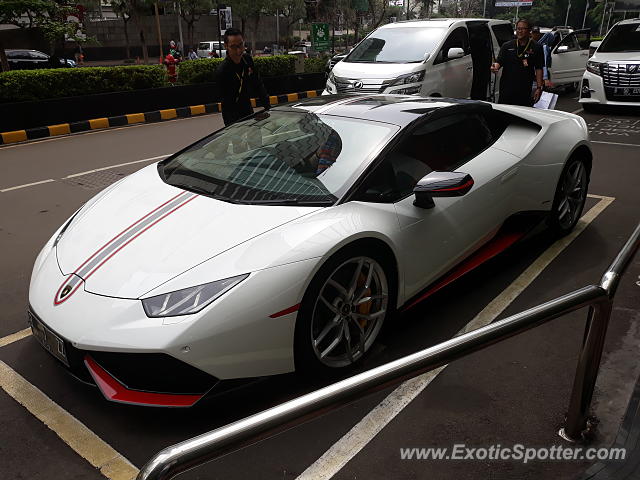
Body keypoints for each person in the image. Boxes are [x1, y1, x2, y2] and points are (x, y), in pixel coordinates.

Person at [216, 27, 270, 126]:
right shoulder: (223, 71)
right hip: (232, 116)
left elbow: (258, 84)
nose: (238, 51)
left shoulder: (247, 60)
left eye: (241, 45)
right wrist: (231, 128)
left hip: (248, 110)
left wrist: (268, 108)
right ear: (226, 46)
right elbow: (226, 104)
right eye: (233, 47)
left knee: (256, 139)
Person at [491, 19, 544, 106]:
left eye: (523, 29)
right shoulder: (507, 46)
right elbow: (499, 61)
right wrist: (495, 67)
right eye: (518, 29)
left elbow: (539, 68)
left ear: (529, 31)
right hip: (507, 88)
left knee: (521, 115)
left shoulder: (536, 47)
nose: (519, 31)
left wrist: (539, 87)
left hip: (524, 89)